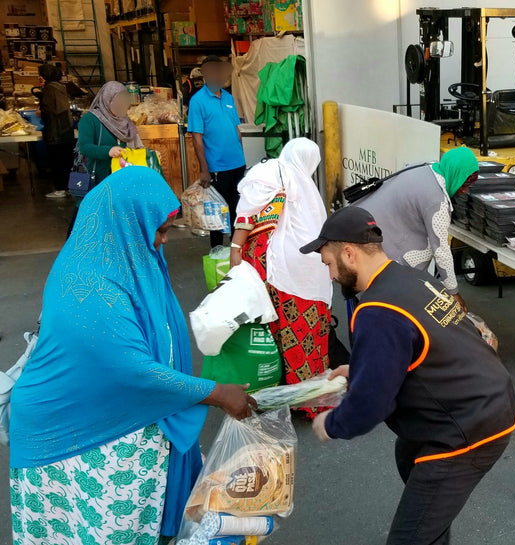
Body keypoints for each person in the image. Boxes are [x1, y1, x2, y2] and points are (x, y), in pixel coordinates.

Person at [8, 167, 256, 545]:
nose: (164, 240)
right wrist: (217, 393)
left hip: (102, 414)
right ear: (127, 222)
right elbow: (131, 369)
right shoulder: (89, 285)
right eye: (160, 230)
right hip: (69, 437)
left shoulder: (126, 261)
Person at [303, 206, 515, 545]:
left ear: (349, 253)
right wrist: (359, 369)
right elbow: (412, 347)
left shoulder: (377, 311)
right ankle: (431, 521)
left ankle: (425, 525)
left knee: (410, 536)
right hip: (488, 396)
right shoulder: (411, 278)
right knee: (409, 456)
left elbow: (370, 404)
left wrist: (330, 424)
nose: (330, 275)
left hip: (470, 425)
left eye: (329, 263)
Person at [229, 137, 333, 419]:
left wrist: (235, 249)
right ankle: (307, 399)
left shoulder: (268, 171)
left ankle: (268, 394)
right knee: (303, 332)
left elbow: (247, 213)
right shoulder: (308, 190)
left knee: (269, 331)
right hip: (308, 272)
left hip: (271, 266)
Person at [354, 147, 479, 312]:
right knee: (383, 307)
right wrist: (453, 293)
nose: (464, 191)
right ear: (456, 174)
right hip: (372, 248)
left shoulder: (425, 166)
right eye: (464, 184)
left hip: (356, 229)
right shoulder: (437, 202)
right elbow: (441, 250)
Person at [67, 81, 142, 237]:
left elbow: (136, 146)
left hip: (119, 178)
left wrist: (150, 154)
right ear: (107, 99)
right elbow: (85, 147)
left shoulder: (125, 122)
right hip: (96, 178)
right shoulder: (90, 119)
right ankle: (77, 247)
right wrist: (108, 151)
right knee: (87, 218)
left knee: (114, 221)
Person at [189, 55, 247, 248]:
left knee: (237, 208)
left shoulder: (229, 98)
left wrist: (242, 158)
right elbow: (197, 138)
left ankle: (236, 249)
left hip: (237, 164)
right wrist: (204, 169)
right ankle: (217, 250)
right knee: (216, 211)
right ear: (204, 74)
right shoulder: (197, 101)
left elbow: (237, 130)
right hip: (217, 167)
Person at [38, 63, 75, 199]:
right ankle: (70, 188)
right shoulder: (61, 87)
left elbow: (48, 111)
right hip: (66, 131)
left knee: (57, 162)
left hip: (55, 132)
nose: (39, 78)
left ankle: (60, 189)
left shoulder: (49, 89)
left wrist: (40, 111)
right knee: (67, 161)